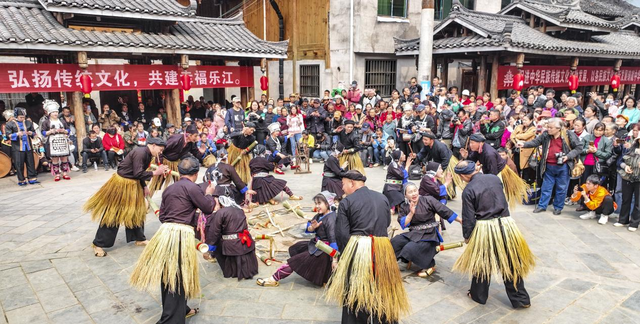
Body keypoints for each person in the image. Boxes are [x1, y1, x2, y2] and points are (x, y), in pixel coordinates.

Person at [129, 157, 215, 324]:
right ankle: (170, 320)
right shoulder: (193, 187)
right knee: (176, 277)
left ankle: (183, 309)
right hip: (180, 236)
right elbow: (208, 208)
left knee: (173, 274)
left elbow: (162, 216)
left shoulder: (169, 189)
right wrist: (209, 195)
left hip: (165, 233)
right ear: (196, 174)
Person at [326, 171, 409, 324]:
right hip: (382, 249)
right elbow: (386, 224)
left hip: (358, 250)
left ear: (352, 183)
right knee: (385, 290)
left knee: (355, 294)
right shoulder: (383, 198)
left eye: (343, 184)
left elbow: (342, 235)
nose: (342, 188)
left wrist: (344, 259)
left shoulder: (346, 202)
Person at [452, 160, 534, 308]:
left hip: (485, 227)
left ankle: (478, 296)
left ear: (463, 176)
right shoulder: (494, 178)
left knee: (482, 263)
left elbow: (468, 218)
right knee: (510, 263)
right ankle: (521, 299)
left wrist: (468, 236)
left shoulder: (468, 190)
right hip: (507, 225)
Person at [84, 137, 168, 257]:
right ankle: (98, 244)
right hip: (122, 185)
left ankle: (139, 238)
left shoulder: (148, 154)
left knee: (136, 212)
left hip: (133, 184)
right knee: (114, 214)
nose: (161, 152)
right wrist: (155, 172)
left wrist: (144, 186)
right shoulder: (141, 153)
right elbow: (138, 173)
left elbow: (138, 172)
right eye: (160, 149)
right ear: (153, 145)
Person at [257, 191, 338, 287]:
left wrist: (334, 260)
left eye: (319, 203)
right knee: (296, 248)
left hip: (323, 251)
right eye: (316, 203)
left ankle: (273, 279)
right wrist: (312, 228)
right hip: (317, 245)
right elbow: (310, 226)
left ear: (327, 203)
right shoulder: (320, 215)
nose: (317, 206)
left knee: (294, 262)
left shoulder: (331, 219)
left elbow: (333, 241)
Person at [392, 182, 461, 277]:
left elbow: (444, 210)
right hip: (413, 233)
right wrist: (411, 213)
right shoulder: (404, 206)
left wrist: (460, 220)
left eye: (415, 190)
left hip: (430, 235)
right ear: (405, 195)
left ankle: (430, 264)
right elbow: (403, 224)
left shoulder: (428, 200)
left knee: (410, 248)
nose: (414, 194)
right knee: (395, 241)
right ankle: (396, 261)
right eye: (410, 192)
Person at [517, 118, 583, 215]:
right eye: (548, 127)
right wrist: (524, 144)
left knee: (561, 188)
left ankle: (558, 207)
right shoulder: (545, 135)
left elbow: (579, 147)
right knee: (546, 187)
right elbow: (535, 142)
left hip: (563, 166)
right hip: (548, 165)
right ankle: (542, 206)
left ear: (558, 128)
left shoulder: (568, 135)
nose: (549, 129)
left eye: (551, 128)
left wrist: (568, 156)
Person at [204, 186, 259, 280]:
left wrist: (209, 248)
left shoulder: (220, 213)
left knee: (216, 240)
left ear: (221, 202)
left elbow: (214, 232)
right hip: (244, 242)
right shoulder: (240, 210)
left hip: (231, 245)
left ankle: (231, 270)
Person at [461, 133, 528, 207]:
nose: (470, 145)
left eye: (472, 143)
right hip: (490, 171)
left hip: (499, 173)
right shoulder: (477, 149)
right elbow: (472, 160)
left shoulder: (489, 154)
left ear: (480, 143)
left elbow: (493, 173)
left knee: (497, 194)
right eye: (470, 143)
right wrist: (466, 156)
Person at [149, 124, 205, 195]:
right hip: (164, 161)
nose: (197, 138)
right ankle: (147, 200)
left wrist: (202, 152)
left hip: (176, 163)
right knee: (156, 184)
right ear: (189, 135)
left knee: (180, 183)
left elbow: (197, 154)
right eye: (195, 136)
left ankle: (180, 198)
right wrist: (160, 164)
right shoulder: (175, 139)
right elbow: (161, 150)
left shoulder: (191, 143)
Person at [40, 100, 72, 181]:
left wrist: (64, 131)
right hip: (53, 141)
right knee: (55, 158)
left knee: (64, 157)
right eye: (53, 112)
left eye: (56, 112)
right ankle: (57, 174)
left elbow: (68, 129)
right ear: (49, 113)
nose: (55, 114)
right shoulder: (46, 122)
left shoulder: (62, 121)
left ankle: (65, 173)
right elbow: (43, 132)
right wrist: (51, 131)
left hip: (62, 140)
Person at [6, 107, 38, 185]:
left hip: (28, 145)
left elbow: (34, 133)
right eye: (20, 117)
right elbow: (7, 135)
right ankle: (21, 180)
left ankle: (32, 178)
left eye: (23, 117)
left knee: (30, 162)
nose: (22, 118)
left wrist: (31, 133)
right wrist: (17, 134)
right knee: (19, 163)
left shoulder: (28, 122)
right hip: (17, 147)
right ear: (16, 116)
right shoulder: (10, 124)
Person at [617, 134, 640, 232]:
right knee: (626, 199)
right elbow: (619, 161)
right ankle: (623, 220)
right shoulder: (630, 149)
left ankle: (634, 222)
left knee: (638, 202)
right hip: (627, 177)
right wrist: (625, 166)